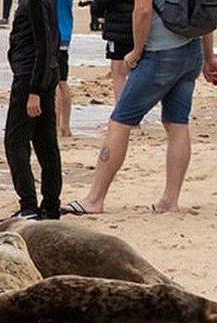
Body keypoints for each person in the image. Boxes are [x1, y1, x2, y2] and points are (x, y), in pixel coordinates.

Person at [64, 2, 216, 215]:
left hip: (160, 53)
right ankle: (170, 201)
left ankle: (94, 199)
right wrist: (209, 57)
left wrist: (136, 51)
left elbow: (143, 10)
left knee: (119, 121)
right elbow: (204, 14)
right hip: (192, 50)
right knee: (177, 123)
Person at [3, 0, 63, 221]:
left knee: (16, 142)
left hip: (32, 76)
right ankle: (50, 206)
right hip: (44, 71)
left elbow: (45, 43)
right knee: (45, 142)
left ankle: (29, 206)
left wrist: (35, 89)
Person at [91, 0, 135, 100]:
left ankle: (121, 109)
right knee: (138, 68)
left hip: (119, 28)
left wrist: (97, 14)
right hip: (142, 26)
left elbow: (99, 4)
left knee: (118, 70)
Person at [55, 0, 73, 138]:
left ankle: (55, 125)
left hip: (54, 33)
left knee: (56, 82)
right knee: (62, 81)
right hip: (65, 33)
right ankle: (65, 126)